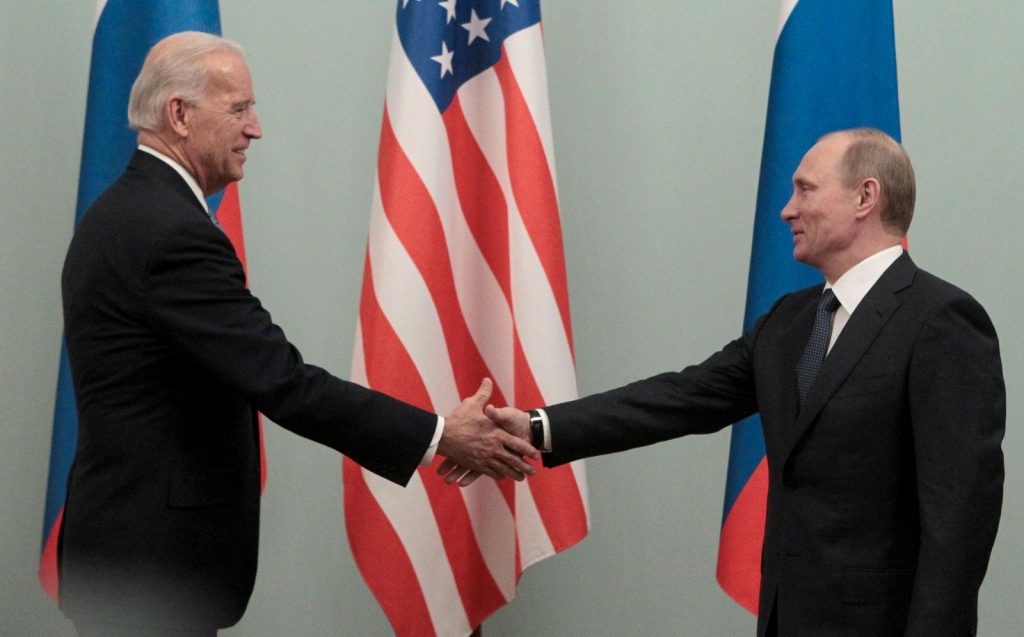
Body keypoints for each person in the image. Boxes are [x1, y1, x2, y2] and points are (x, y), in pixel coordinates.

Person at [59, 31, 537, 637]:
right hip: (152, 576)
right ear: (178, 114)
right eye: (238, 109)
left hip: (130, 562)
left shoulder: (120, 214)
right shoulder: (170, 235)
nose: (254, 129)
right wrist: (440, 435)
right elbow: (283, 382)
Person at [467, 129, 1005, 636]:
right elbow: (682, 397)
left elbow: (958, 520)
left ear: (866, 197)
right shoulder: (790, 321)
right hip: (783, 617)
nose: (786, 210)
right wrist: (539, 426)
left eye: (805, 189)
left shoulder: (940, 320)